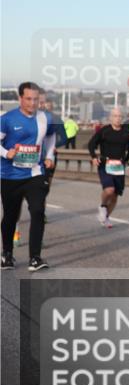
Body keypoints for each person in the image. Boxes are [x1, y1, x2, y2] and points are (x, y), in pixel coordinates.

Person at [1, 82, 56, 271]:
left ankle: (35, 258)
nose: (33, 103)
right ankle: (7, 254)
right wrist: (5, 153)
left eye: (36, 99)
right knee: (10, 216)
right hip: (10, 175)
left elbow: (50, 138)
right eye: (29, 99)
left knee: (38, 211)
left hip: (35, 173)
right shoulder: (7, 119)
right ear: (20, 99)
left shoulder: (45, 118)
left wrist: (49, 156)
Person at [88, 107, 129, 229]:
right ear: (110, 118)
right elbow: (91, 144)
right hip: (105, 164)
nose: (118, 118)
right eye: (115, 116)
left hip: (119, 166)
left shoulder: (127, 132)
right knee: (109, 189)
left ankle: (106, 217)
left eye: (120, 116)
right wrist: (94, 157)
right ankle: (103, 206)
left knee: (115, 196)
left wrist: (126, 159)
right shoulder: (105, 131)